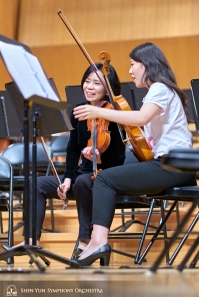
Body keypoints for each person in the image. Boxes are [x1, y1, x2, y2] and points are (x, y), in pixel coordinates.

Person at [72, 42, 196, 267]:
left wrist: (98, 110)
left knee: (104, 179)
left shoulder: (160, 88)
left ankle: (98, 242)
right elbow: (143, 139)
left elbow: (140, 118)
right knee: (105, 177)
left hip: (173, 166)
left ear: (146, 65)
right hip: (174, 166)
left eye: (132, 65)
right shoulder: (158, 91)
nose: (129, 71)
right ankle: (94, 242)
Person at [1, 63, 126, 256]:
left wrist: (99, 159)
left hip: (104, 179)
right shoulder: (79, 110)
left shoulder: (115, 114)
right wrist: (67, 179)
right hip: (81, 177)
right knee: (36, 183)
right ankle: (31, 241)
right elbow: (73, 149)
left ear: (108, 88)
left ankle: (85, 239)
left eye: (96, 83)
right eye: (87, 81)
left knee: (84, 181)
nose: (89, 87)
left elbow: (120, 158)